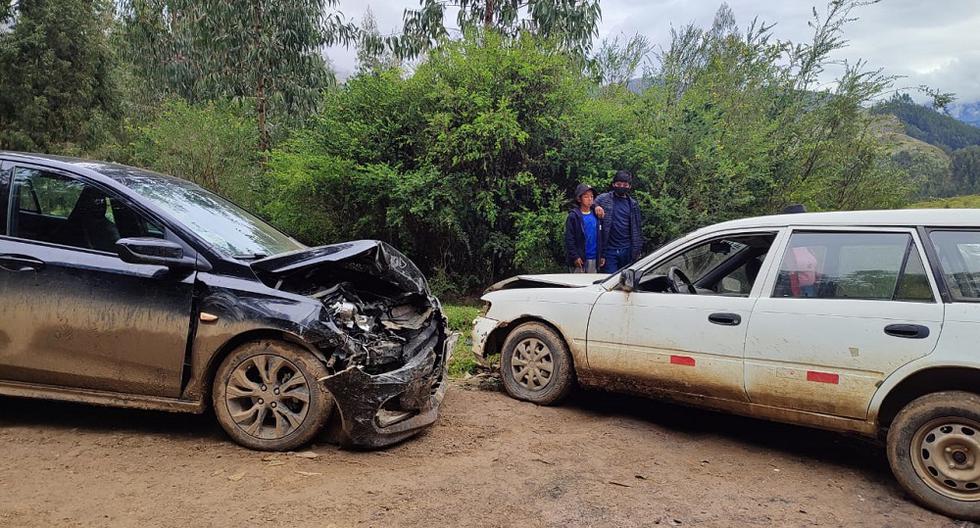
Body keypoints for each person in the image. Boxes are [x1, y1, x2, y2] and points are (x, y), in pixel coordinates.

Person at [595, 170, 643, 273]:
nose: (622, 186)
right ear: (613, 184)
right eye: (619, 184)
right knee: (610, 280)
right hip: (609, 251)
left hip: (628, 250)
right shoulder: (604, 199)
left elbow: (637, 228)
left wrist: (637, 249)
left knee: (626, 281)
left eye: (625, 185)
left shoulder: (633, 204)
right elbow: (591, 202)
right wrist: (596, 207)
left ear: (629, 186)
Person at [564, 183, 604, 273]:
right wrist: (575, 256)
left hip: (594, 257)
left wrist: (601, 255)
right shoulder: (573, 216)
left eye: (592, 196)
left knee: (592, 284)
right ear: (579, 199)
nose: (590, 199)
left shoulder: (597, 214)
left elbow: (601, 236)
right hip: (580, 259)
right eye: (586, 197)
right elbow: (569, 239)